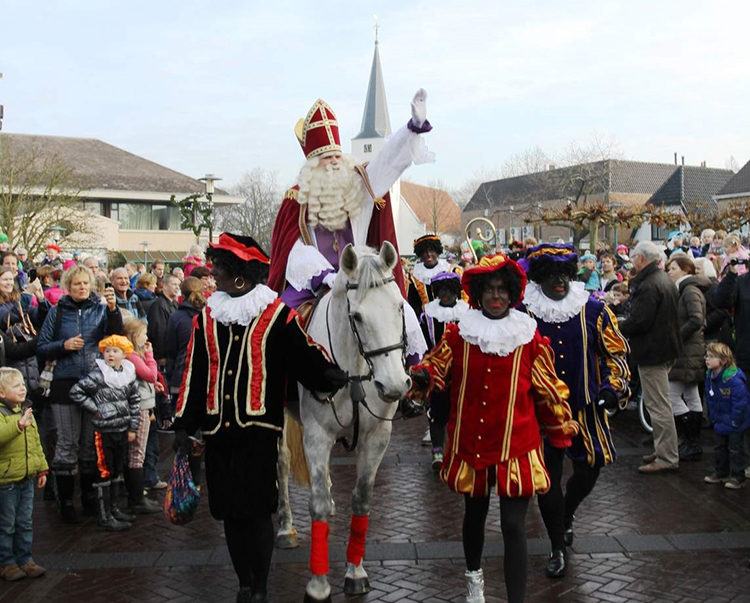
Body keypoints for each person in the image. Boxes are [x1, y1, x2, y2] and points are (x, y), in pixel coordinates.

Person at [172, 233, 348, 603]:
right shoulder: (207, 317)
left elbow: (305, 355)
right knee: (229, 514)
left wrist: (332, 375)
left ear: (239, 274)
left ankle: (261, 586)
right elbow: (194, 373)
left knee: (255, 512)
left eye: (218, 267)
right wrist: (184, 424)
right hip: (217, 430)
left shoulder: (276, 314)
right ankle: (244, 583)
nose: (212, 274)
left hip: (259, 432)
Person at [408, 253, 577, 603]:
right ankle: (474, 580)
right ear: (480, 293)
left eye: (502, 290)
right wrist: (422, 376)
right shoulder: (460, 335)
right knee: (475, 516)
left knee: (514, 526)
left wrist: (561, 430)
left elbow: (549, 389)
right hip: (472, 444)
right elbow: (436, 368)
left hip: (517, 445)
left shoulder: (528, 338)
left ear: (512, 293)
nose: (496, 297)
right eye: (490, 290)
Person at [521, 243, 630, 578]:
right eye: (551, 275)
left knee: (590, 469)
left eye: (565, 274)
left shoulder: (594, 310)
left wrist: (613, 389)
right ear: (539, 279)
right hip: (541, 414)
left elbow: (615, 355)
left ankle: (566, 514)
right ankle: (556, 545)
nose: (559, 281)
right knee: (547, 480)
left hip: (586, 406)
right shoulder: (525, 313)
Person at [268, 90, 434, 307]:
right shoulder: (297, 198)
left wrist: (411, 129)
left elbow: (386, 161)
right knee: (280, 318)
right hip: (316, 285)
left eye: (338, 156)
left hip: (362, 279)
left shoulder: (358, 185)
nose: (335, 162)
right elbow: (293, 249)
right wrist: (323, 275)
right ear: (312, 165)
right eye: (327, 157)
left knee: (404, 317)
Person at [36, 265, 122, 523]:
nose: (82, 287)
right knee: (67, 444)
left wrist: (113, 309)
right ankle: (65, 502)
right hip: (65, 384)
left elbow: (116, 334)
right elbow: (41, 347)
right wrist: (64, 345)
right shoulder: (57, 311)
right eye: (77, 284)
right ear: (68, 286)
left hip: (93, 383)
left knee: (88, 445)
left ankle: (88, 499)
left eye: (85, 283)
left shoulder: (100, 308)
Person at [619, 241, 682, 473]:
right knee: (659, 404)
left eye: (634, 256)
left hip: (653, 352)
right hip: (663, 348)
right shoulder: (663, 280)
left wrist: (619, 326)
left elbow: (640, 321)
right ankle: (663, 448)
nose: (632, 260)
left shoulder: (649, 285)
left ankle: (667, 456)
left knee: (658, 406)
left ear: (642, 259)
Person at [69, 335, 140, 531]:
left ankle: (114, 508)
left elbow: (135, 401)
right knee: (104, 471)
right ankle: (104, 516)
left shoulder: (128, 375)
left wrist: (133, 427)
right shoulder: (98, 375)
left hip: (122, 429)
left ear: (124, 355)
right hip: (104, 430)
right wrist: (96, 409)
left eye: (115, 351)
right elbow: (76, 392)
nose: (110, 354)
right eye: (107, 351)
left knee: (117, 470)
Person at [417, 272, 469, 470]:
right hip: (436, 371)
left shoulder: (468, 313)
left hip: (462, 370)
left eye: (450, 290)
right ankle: (438, 451)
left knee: (461, 412)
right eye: (441, 290)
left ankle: (459, 451)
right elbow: (422, 343)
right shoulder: (427, 315)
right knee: (437, 411)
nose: (446, 294)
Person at [0, 367, 48, 581]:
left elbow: (35, 443)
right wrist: (17, 425)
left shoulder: (26, 410)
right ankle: (6, 562)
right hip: (7, 480)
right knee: (7, 524)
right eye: (16, 386)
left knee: (25, 521)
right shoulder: (4, 414)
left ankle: (25, 558)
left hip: (27, 477)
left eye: (22, 384)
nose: (22, 388)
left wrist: (41, 468)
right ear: (2, 393)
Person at [665, 256, 710, 461]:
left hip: (687, 350)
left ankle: (690, 440)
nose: (669, 272)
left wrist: (676, 336)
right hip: (690, 349)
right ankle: (692, 443)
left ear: (685, 270)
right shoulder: (687, 289)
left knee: (673, 395)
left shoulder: (690, 290)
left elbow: (696, 319)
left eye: (673, 268)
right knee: (691, 394)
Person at [121, 320, 162, 514]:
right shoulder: (133, 356)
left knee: (136, 451)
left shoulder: (132, 355)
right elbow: (150, 374)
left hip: (143, 403)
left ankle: (136, 496)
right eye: (144, 334)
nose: (147, 338)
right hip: (140, 407)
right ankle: (136, 498)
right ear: (136, 336)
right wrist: (151, 356)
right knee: (137, 452)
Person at [704, 343, 750, 489]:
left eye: (712, 357)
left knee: (735, 449)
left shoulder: (734, 380)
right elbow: (710, 399)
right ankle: (721, 472)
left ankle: (738, 475)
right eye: (707, 356)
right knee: (719, 447)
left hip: (735, 421)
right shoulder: (710, 377)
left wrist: (736, 420)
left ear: (723, 360)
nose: (707, 359)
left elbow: (740, 402)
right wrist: (714, 416)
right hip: (720, 419)